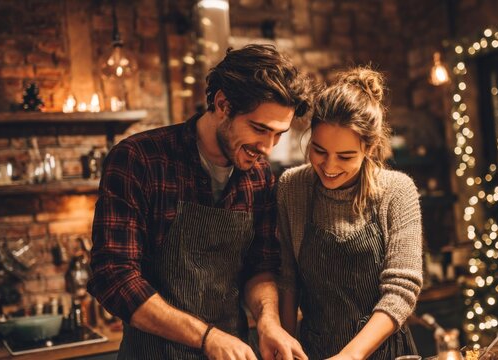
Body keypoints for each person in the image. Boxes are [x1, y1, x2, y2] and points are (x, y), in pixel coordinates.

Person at [88, 44, 312, 360]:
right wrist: (207, 338)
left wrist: (268, 321)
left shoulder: (258, 175)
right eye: (259, 129)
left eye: (278, 134)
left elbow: (259, 266)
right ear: (222, 104)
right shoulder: (140, 159)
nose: (267, 148)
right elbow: (113, 275)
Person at [277, 67, 423, 360]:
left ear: (368, 148)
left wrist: (350, 356)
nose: (329, 167)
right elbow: (287, 279)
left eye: (345, 156)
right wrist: (285, 345)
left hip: (387, 353)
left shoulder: (397, 190)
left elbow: (401, 290)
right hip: (314, 350)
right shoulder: (292, 187)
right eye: (319, 151)